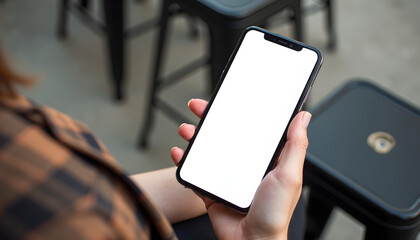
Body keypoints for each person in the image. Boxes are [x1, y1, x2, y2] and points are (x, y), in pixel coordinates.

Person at [0, 47, 311, 240]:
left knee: (265, 196)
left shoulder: (13, 121)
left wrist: (208, 176)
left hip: (121, 206)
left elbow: (101, 189)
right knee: (287, 210)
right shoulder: (76, 221)